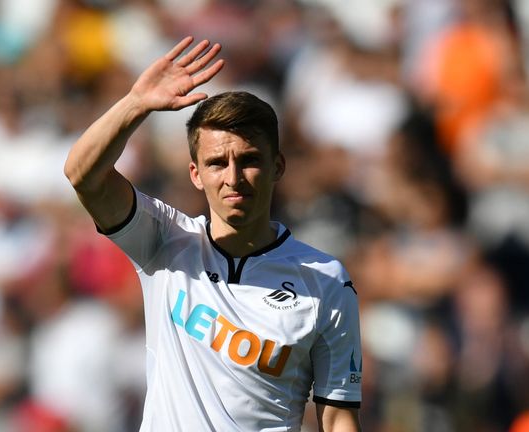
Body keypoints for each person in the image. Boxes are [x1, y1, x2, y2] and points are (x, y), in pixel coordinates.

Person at [64, 36, 362, 431]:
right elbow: (83, 175)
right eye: (217, 162)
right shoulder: (165, 241)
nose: (233, 178)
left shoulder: (325, 280)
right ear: (196, 174)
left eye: (250, 161)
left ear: (278, 167)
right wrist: (136, 103)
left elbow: (338, 417)